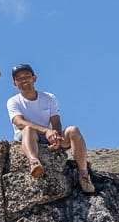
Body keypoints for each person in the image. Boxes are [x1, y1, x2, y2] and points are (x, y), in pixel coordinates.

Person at [7, 63, 95, 193]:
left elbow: (56, 121)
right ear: (15, 83)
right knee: (28, 129)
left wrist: (57, 137)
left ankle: (83, 174)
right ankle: (34, 162)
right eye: (19, 78)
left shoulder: (49, 97)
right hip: (28, 136)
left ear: (34, 78)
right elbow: (19, 122)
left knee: (73, 130)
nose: (24, 80)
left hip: (48, 136)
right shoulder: (13, 101)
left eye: (27, 76)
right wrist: (46, 131)